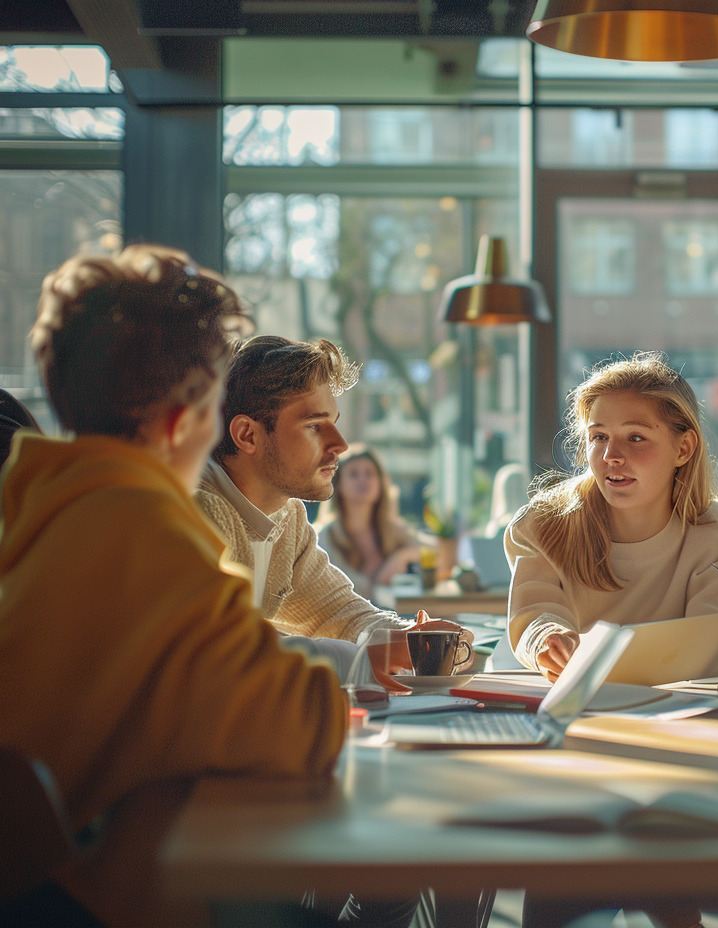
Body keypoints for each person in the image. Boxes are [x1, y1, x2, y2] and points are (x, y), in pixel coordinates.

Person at [0, 245, 346, 924]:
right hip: (101, 902)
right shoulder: (150, 531)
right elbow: (298, 725)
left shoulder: (40, 512)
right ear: (182, 417)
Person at [193, 334, 470, 679]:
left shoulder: (286, 516)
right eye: (314, 426)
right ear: (248, 435)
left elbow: (336, 613)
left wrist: (405, 639)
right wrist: (362, 661)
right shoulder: (200, 511)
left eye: (335, 423)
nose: (340, 444)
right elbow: (226, 650)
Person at [505, 350, 718, 683]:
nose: (611, 456)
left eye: (635, 437)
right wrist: (547, 639)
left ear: (683, 448)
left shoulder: (712, 529)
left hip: (675, 712)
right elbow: (534, 613)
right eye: (599, 437)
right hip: (574, 707)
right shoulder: (542, 523)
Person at [315, 445, 420, 604]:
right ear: (339, 484)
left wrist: (401, 557)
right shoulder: (323, 537)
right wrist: (382, 579)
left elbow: (431, 551)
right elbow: (342, 590)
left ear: (380, 483)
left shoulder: (392, 528)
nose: (363, 480)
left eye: (369, 473)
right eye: (354, 474)